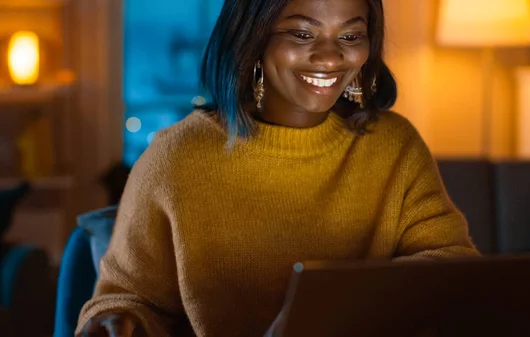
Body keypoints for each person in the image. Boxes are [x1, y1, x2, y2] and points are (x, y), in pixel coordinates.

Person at [77, 0, 480, 336]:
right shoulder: (176, 158)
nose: (330, 56)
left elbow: (454, 264)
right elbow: (125, 298)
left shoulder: (394, 146)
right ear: (254, 38)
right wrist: (117, 319)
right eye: (302, 34)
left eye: (351, 36)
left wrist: (345, 302)